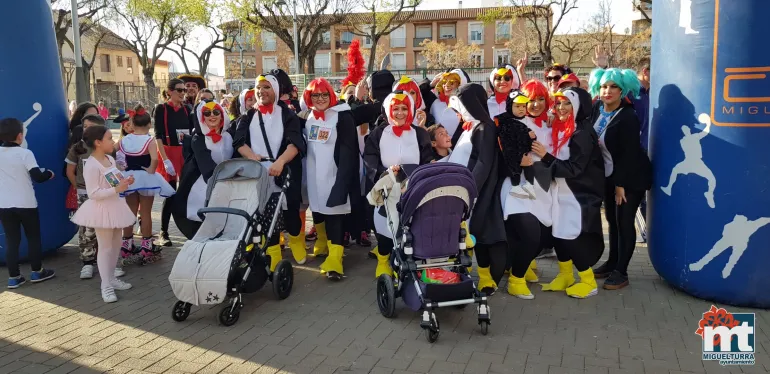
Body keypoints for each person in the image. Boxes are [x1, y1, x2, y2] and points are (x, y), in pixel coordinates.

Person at [233, 73, 305, 273]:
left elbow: (296, 143)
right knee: (265, 213)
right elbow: (238, 141)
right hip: (258, 172)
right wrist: (251, 156)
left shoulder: (288, 114)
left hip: (285, 169)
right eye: (258, 88)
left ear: (274, 90)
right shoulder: (248, 115)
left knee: (290, 208)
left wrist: (281, 162)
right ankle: (273, 251)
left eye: (266, 87)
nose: (261, 92)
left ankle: (296, 239)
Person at [537, 88, 605, 299]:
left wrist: (546, 157)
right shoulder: (563, 128)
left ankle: (588, 281)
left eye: (567, 103)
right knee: (558, 236)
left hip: (578, 195)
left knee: (572, 237)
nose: (561, 108)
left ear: (577, 106)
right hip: (561, 193)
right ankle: (565, 275)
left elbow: (575, 169)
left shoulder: (582, 134)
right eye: (558, 103)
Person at [588, 68, 652, 290]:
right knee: (613, 223)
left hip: (630, 178)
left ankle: (622, 272)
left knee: (625, 223)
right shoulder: (597, 108)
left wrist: (620, 186)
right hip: (609, 174)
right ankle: (611, 263)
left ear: (623, 89)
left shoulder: (628, 116)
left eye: (613, 86)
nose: (607, 91)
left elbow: (630, 154)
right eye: (604, 86)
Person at [365, 91, 433, 279]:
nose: (400, 113)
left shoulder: (419, 133)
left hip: (413, 189)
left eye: (404, 108)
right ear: (389, 110)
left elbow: (427, 158)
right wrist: (383, 174)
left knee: (411, 229)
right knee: (386, 228)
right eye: (396, 109)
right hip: (387, 187)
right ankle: (383, 260)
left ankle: (407, 262)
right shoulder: (378, 132)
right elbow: (370, 158)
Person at [447, 83, 506, 295]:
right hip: (462, 189)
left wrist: (470, 188)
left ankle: (485, 277)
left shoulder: (485, 128)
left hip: (476, 191)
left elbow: (483, 162)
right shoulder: (470, 126)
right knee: (465, 235)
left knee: (478, 234)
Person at [70, 125, 137, 302]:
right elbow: (93, 194)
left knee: (115, 245)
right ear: (98, 143)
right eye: (109, 138)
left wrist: (125, 181)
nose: (113, 141)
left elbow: (114, 181)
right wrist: (116, 189)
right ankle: (105, 285)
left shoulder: (110, 159)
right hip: (101, 209)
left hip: (115, 206)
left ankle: (112, 279)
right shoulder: (91, 165)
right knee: (105, 247)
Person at [300, 78, 359, 280]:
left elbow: (349, 152)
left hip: (334, 174)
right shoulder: (308, 116)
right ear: (309, 97)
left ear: (331, 95)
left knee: (334, 213)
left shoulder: (342, 116)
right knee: (317, 209)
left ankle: (336, 257)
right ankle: (322, 241)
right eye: (315, 95)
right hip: (313, 173)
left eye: (324, 94)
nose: (320, 99)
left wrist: (342, 182)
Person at [0, 118, 57, 289]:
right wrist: (49, 173)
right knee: (33, 238)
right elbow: (38, 177)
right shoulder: (25, 154)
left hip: (4, 204)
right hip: (26, 203)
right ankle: (37, 271)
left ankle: (14, 277)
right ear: (20, 136)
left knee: (12, 240)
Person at [66, 114, 123, 279]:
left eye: (90, 126)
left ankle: (111, 263)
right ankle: (87, 262)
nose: (86, 129)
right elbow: (70, 171)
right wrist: (80, 188)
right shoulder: (78, 148)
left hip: (107, 195)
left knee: (108, 228)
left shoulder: (107, 149)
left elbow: (113, 171)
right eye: (84, 126)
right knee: (87, 229)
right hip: (86, 195)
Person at [117, 105, 175, 264]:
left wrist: (120, 167)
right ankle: (146, 245)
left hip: (129, 177)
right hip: (145, 177)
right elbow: (155, 159)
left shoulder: (124, 140)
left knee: (130, 211)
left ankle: (126, 245)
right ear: (149, 124)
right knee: (146, 212)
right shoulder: (149, 140)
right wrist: (151, 169)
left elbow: (115, 154)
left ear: (132, 124)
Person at [172, 100, 234, 239]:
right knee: (201, 217)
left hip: (227, 184)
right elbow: (206, 164)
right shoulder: (198, 139)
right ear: (202, 117)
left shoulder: (229, 137)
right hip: (203, 184)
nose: (212, 116)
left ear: (222, 115)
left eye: (216, 112)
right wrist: (219, 180)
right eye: (207, 113)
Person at [153, 79, 191, 247]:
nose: (183, 93)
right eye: (179, 90)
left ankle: (189, 229)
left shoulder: (187, 109)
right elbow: (158, 135)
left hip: (184, 152)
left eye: (184, 90)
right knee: (170, 193)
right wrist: (165, 159)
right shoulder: (161, 109)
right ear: (169, 91)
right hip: (168, 152)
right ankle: (163, 231)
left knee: (186, 192)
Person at [428, 69, 470, 145]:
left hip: (463, 146)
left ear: (460, 84)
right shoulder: (435, 103)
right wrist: (430, 85)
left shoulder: (467, 105)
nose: (446, 85)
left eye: (451, 82)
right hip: (441, 150)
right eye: (444, 82)